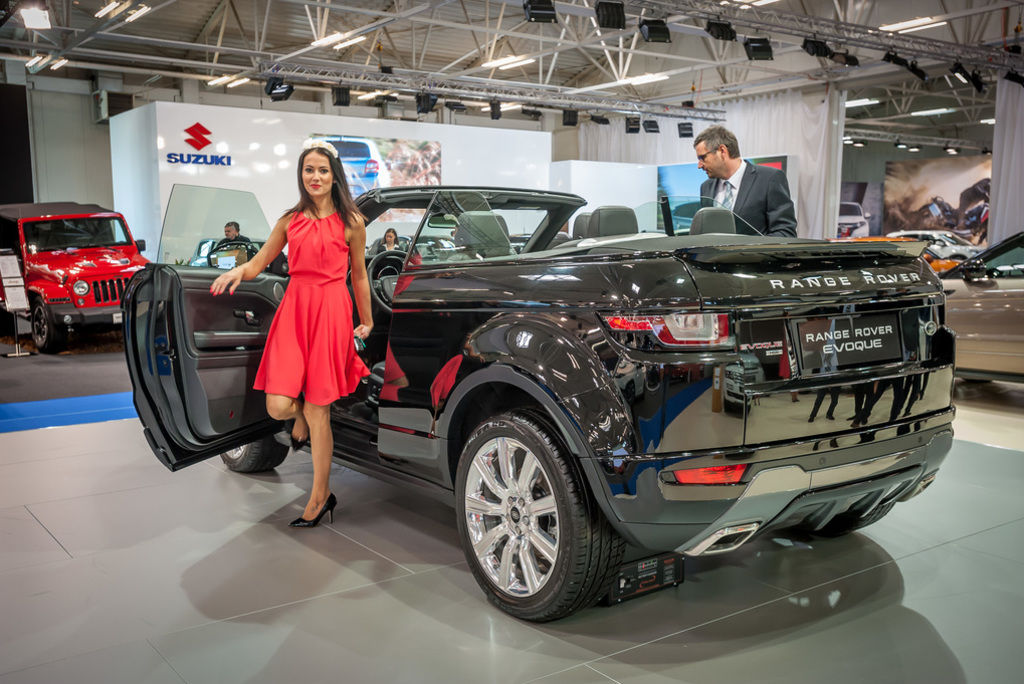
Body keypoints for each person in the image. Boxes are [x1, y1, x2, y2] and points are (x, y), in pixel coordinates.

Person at [210, 139, 373, 528]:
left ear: (334, 177)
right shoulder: (290, 221)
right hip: (295, 312)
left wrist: (366, 320)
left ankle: (320, 497)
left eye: (322, 170)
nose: (315, 177)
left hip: (331, 313)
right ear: (301, 176)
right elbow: (259, 262)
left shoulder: (352, 223)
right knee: (278, 406)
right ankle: (302, 418)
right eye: (308, 170)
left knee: (320, 410)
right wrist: (238, 271)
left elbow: (360, 275)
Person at [694, 125, 797, 237]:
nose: (699, 165)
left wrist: (749, 247)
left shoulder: (769, 179)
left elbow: (785, 233)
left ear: (722, 151)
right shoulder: (706, 187)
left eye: (702, 158)